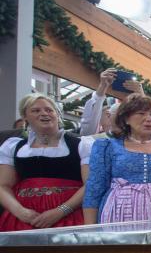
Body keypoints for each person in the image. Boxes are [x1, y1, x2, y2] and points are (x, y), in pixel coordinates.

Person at [83, 95, 151, 224]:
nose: (149, 119)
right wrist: (90, 231)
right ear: (126, 119)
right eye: (141, 113)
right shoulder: (107, 146)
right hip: (118, 211)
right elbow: (94, 188)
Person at [0, 93, 91, 231]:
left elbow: (91, 184)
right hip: (24, 218)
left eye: (49, 110)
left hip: (70, 216)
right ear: (25, 117)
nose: (44, 114)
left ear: (57, 114)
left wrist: (61, 211)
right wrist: (20, 211)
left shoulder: (81, 145)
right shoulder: (13, 146)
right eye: (36, 110)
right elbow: (3, 186)